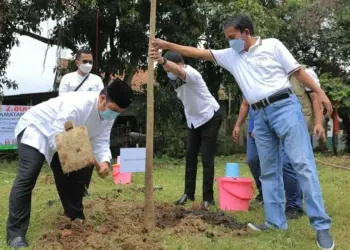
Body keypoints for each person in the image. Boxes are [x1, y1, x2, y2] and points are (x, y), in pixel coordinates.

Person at [152, 13, 334, 250]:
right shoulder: (231, 56)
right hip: (259, 115)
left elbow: (298, 73)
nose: (230, 42)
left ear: (246, 32)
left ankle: (321, 227)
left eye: (233, 37)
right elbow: (197, 52)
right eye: (227, 38)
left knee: (302, 165)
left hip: (285, 108)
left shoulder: (273, 45)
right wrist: (166, 46)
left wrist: (320, 93)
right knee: (268, 171)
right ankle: (275, 222)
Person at [6, 79, 133, 248]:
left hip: (64, 138)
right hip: (36, 129)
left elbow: (101, 141)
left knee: (78, 172)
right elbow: (55, 137)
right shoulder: (77, 105)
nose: (114, 115)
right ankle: (15, 234)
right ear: (102, 98)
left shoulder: (108, 115)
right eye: (114, 110)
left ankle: (75, 218)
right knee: (29, 173)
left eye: (119, 112)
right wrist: (78, 151)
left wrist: (104, 162)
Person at [234, 66, 325, 219]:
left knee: (292, 164)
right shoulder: (263, 76)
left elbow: (315, 100)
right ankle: (273, 200)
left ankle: (294, 205)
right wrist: (260, 126)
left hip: (297, 124)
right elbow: (257, 104)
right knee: (261, 162)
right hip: (274, 124)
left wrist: (318, 123)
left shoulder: (303, 74)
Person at [149, 50, 222, 208]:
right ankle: (188, 194)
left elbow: (180, 71)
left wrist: (162, 60)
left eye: (168, 69)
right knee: (190, 156)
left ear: (176, 64)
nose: (167, 73)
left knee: (206, 158)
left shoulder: (191, 73)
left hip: (209, 116)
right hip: (194, 120)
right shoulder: (175, 77)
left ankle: (208, 198)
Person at [59, 49, 105, 196]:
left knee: (88, 157)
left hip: (90, 124)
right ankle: (71, 190)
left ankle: (84, 188)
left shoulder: (97, 80)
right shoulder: (67, 79)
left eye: (90, 62)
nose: (88, 64)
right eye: (85, 61)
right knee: (73, 158)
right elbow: (62, 100)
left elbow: (101, 100)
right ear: (77, 62)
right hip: (72, 123)